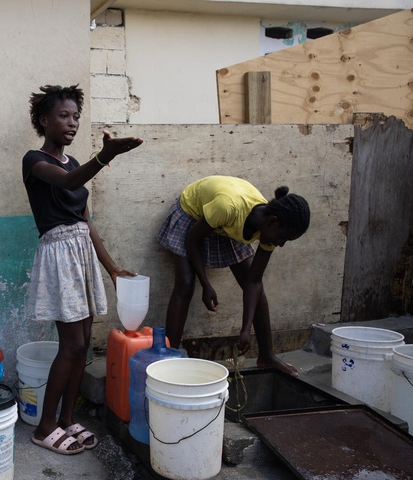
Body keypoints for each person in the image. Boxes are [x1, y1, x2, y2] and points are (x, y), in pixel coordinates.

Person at [23, 84, 143, 455]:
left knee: (82, 348)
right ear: (44, 120)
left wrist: (111, 268)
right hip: (59, 253)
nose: (72, 122)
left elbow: (86, 221)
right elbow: (67, 183)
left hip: (82, 254)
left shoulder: (75, 163)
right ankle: (45, 426)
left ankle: (66, 418)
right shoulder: (34, 160)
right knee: (71, 344)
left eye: (76, 116)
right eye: (63, 115)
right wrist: (105, 156)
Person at [157, 175, 310, 376]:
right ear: (272, 222)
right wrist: (206, 284)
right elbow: (193, 239)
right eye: (282, 238)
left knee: (256, 288)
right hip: (193, 215)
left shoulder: (268, 228)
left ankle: (266, 356)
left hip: (222, 225)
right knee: (185, 284)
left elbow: (254, 281)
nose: (280, 244)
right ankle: (169, 358)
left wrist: (245, 329)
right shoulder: (228, 207)